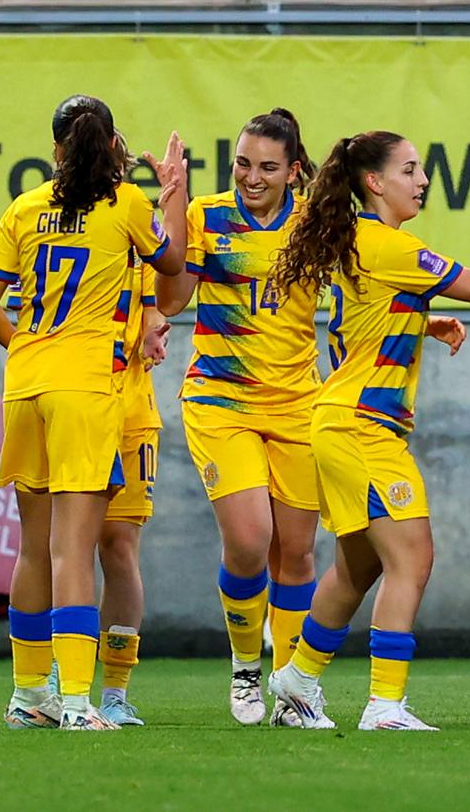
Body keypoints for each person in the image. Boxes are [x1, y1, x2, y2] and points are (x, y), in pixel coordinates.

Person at [267, 130, 470, 731]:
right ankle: (384, 705)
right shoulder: (386, 244)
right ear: (375, 182)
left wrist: (424, 324)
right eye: (409, 170)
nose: (422, 179)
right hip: (362, 429)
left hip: (341, 421)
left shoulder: (367, 242)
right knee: (413, 560)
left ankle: (297, 680)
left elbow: (366, 318)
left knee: (357, 569)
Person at [0, 95, 186, 730]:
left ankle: (28, 697)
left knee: (32, 549)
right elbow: (172, 268)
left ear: (57, 149)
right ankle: (78, 702)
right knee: (73, 550)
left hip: (26, 385)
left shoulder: (25, 207)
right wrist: (167, 194)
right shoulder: (125, 205)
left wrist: (31, 349)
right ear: (113, 145)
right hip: (86, 389)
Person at [155, 108, 323, 727]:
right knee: (251, 543)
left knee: (298, 555)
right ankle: (247, 670)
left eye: (267, 167)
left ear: (294, 171)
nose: (252, 177)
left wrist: (424, 319)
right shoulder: (209, 216)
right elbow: (171, 298)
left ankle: (297, 688)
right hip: (220, 400)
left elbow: (367, 285)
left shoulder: (316, 224)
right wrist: (175, 201)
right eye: (243, 164)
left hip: (300, 402)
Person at [6, 253, 170, 727]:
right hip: (71, 402)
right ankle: (58, 686)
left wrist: (155, 320)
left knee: (117, 547)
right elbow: (13, 311)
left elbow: (170, 292)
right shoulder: (62, 230)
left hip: (131, 414)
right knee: (59, 547)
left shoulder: (139, 236)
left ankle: (114, 690)